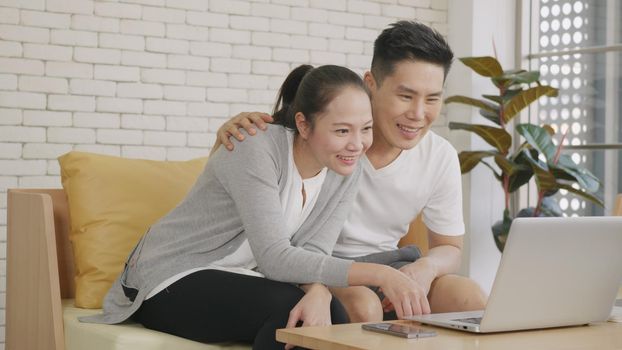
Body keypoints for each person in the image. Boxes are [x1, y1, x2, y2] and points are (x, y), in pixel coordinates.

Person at [81, 64, 433, 350]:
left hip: (239, 276)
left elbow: (314, 250)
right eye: (342, 131)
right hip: (170, 277)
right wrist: (382, 274)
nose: (357, 144)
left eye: (366, 129)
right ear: (303, 124)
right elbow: (275, 257)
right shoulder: (255, 149)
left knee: (334, 317)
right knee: (284, 311)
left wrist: (319, 290)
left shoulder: (344, 168)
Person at [214, 21, 488, 322]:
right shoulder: (326, 140)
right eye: (406, 96)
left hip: (391, 265)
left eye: (433, 98)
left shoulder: (440, 156)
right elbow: (252, 173)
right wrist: (224, 140)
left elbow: (450, 248)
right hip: (319, 266)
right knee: (363, 305)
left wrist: (427, 267)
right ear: (370, 83)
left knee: (470, 298)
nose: (418, 114)